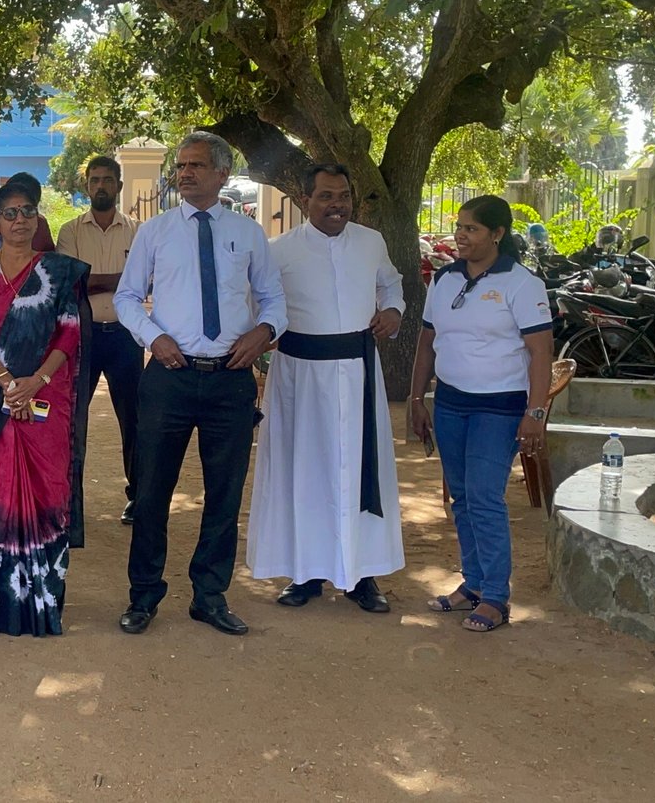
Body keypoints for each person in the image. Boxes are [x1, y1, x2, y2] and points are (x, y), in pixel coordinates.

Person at [113, 131, 286, 637]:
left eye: (195, 165)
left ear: (222, 173)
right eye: (180, 165)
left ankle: (209, 596)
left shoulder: (247, 233)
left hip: (230, 380)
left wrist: (264, 332)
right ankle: (144, 595)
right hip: (168, 377)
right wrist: (154, 337)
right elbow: (126, 297)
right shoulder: (156, 231)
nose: (184, 173)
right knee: (151, 493)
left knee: (224, 495)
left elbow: (274, 299)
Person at [245, 163, 404, 614]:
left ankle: (361, 574)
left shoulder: (371, 242)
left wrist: (393, 311)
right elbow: (259, 305)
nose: (337, 205)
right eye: (326, 196)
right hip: (299, 377)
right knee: (304, 471)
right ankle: (305, 573)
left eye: (344, 196)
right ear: (305, 201)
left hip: (357, 373)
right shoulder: (279, 250)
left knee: (358, 469)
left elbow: (391, 284)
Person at [409, 194, 552, 633]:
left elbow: (541, 352)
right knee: (462, 498)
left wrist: (536, 412)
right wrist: (416, 399)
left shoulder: (522, 284)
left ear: (497, 234)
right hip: (451, 404)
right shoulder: (444, 279)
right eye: (459, 226)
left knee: (486, 498)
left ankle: (495, 597)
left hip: (499, 407)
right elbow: (427, 342)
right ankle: (472, 584)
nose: (461, 235)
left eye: (471, 228)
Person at [0, 176, 89, 636]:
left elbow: (69, 332)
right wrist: (8, 381)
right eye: (10, 213)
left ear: (38, 217)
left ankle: (43, 599)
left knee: (46, 488)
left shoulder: (57, 270)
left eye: (28, 211)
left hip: (45, 396)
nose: (20, 220)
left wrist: (36, 381)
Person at [56, 155, 140, 524]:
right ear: (86, 186)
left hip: (126, 336)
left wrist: (95, 279)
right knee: (72, 421)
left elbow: (145, 280)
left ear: (119, 186)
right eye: (95, 180)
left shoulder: (137, 232)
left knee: (134, 420)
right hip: (82, 336)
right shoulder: (71, 232)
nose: (101, 186)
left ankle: (137, 496)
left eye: (107, 179)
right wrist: (123, 279)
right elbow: (71, 283)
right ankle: (67, 500)